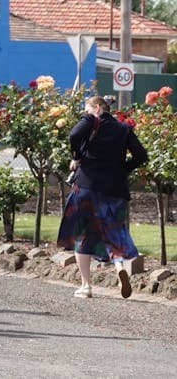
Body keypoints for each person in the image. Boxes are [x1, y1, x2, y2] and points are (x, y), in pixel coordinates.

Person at [57, 95, 147, 300]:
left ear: (97, 108)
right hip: (114, 189)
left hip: (87, 187)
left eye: (87, 109)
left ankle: (86, 286)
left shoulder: (91, 120)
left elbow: (73, 136)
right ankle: (119, 268)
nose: (85, 113)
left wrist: (76, 157)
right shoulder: (124, 129)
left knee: (83, 235)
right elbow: (141, 155)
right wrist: (122, 170)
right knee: (112, 232)